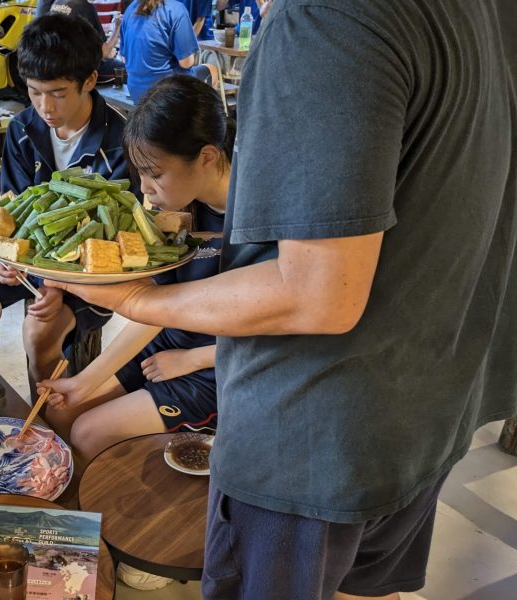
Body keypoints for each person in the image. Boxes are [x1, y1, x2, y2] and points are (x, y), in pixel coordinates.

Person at [43, 2, 517, 598]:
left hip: (318, 431)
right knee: (367, 588)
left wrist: (135, 299)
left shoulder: (322, 20)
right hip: (430, 398)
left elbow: (318, 294)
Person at [0, 14, 130, 393]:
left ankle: (48, 429)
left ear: (90, 80)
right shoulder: (22, 128)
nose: (44, 106)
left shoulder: (120, 140)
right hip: (27, 258)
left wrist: (51, 283)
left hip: (89, 274)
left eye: (58, 93)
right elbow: (13, 208)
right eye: (34, 92)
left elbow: (108, 241)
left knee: (37, 334)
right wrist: (5, 257)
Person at [42, 75, 228, 459]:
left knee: (90, 433)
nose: (144, 189)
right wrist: (83, 381)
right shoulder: (177, 206)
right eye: (140, 173)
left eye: (154, 175)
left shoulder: (260, 217)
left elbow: (285, 329)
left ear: (207, 157)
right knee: (61, 415)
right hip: (171, 345)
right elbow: (153, 307)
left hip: (224, 363)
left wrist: (192, 359)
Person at [120, 0, 216, 101]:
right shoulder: (176, 9)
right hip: (168, 92)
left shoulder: (131, 9)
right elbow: (186, 63)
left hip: (136, 92)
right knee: (212, 70)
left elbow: (124, 59)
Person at [36, 0, 124, 85]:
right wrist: (117, 29)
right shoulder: (86, 8)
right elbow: (103, 53)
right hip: (74, 70)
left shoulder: (58, 2)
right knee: (127, 71)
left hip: (53, 65)